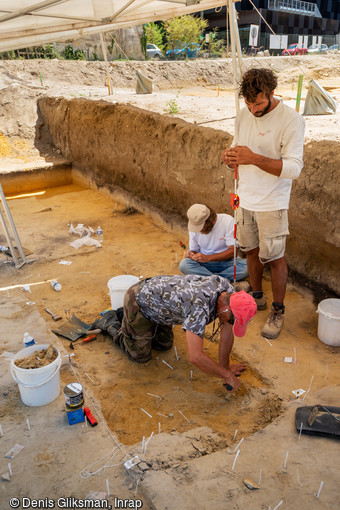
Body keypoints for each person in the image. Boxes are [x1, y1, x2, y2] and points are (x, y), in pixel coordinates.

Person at [222, 68, 305, 339]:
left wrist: (254, 158)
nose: (252, 109)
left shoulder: (290, 120)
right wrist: (231, 155)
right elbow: (239, 147)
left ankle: (278, 309)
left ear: (271, 94)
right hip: (245, 197)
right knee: (250, 251)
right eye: (247, 103)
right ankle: (256, 296)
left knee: (276, 258)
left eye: (257, 103)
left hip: (272, 201)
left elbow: (293, 168)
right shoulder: (243, 114)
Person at [98, 275, 257, 393]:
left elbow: (227, 333)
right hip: (139, 301)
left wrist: (225, 369)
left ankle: (131, 322)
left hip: (163, 309)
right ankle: (111, 320)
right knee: (139, 355)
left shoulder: (229, 293)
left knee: (164, 345)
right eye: (233, 320)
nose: (231, 324)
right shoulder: (199, 306)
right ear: (226, 309)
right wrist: (226, 375)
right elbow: (196, 356)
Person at [179, 203, 248, 282]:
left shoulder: (227, 221)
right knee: (184, 265)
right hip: (205, 264)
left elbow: (233, 252)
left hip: (227, 262)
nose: (199, 230)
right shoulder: (194, 225)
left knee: (249, 267)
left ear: (211, 220)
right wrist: (191, 254)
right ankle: (222, 281)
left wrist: (208, 258)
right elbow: (194, 250)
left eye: (201, 227)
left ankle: (210, 280)